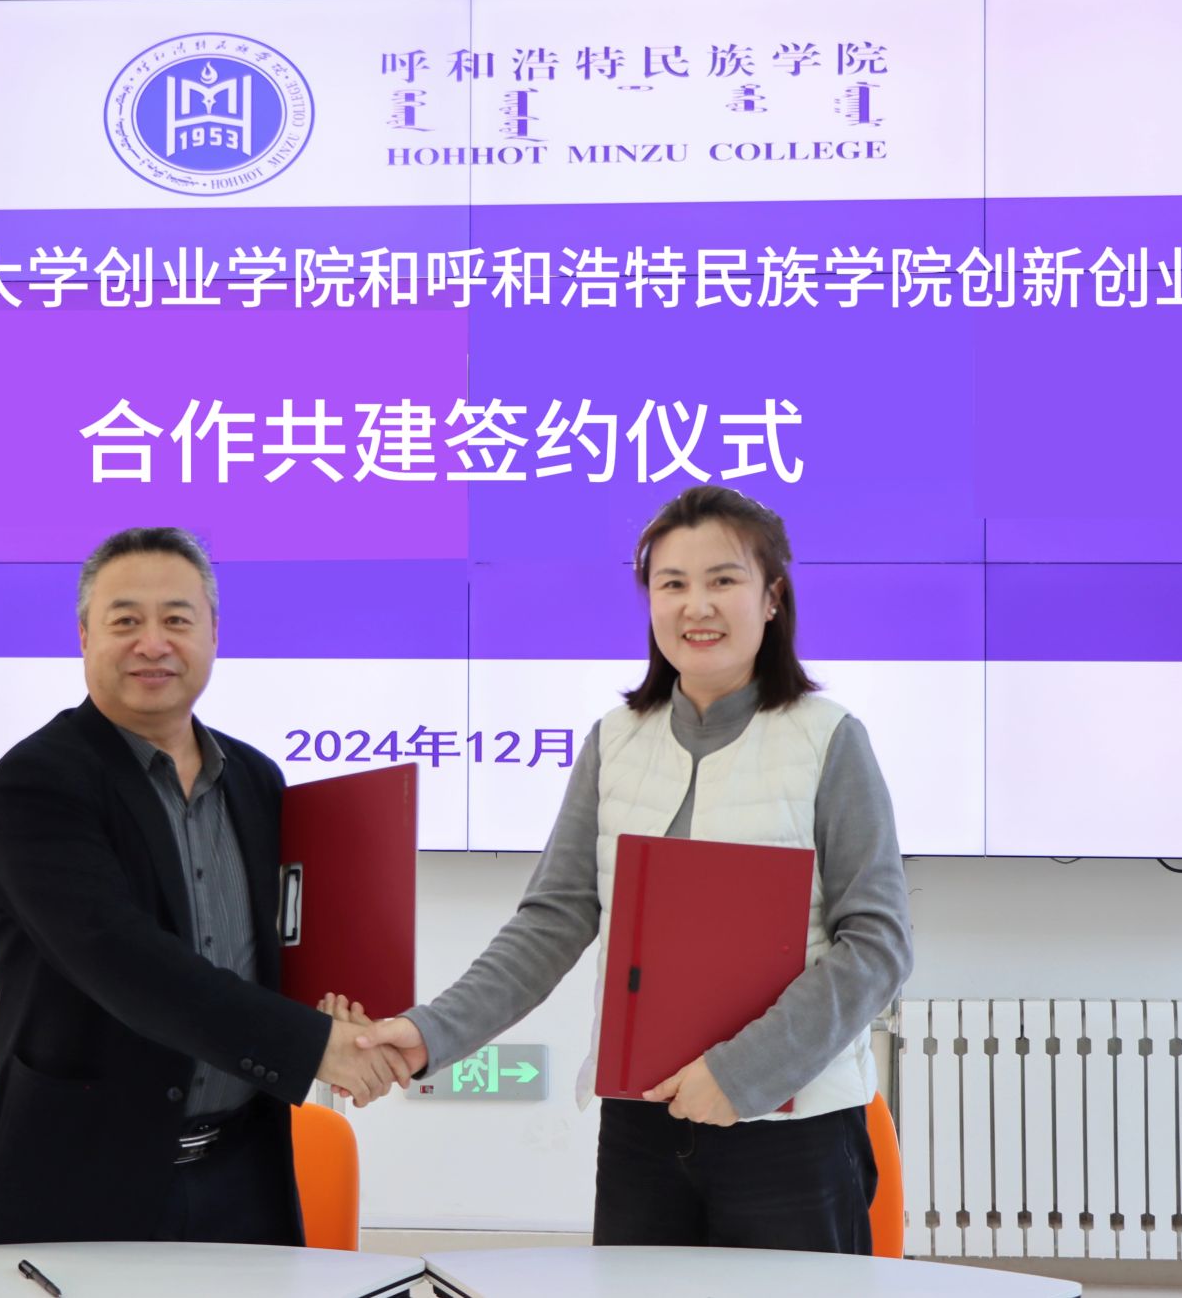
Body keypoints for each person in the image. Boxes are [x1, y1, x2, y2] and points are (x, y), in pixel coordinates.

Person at [336, 485, 913, 1252]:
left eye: (723, 579)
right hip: (643, 1125)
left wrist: (741, 1073)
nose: (696, 605)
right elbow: (551, 922)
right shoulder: (615, 739)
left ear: (772, 597)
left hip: (792, 1130)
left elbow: (877, 944)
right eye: (672, 583)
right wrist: (429, 1031)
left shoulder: (828, 737)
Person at [0, 526, 407, 1248]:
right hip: (85, 1176)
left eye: (177, 620)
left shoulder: (256, 780)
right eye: (125, 620)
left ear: (214, 633)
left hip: (244, 1172)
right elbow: (122, 960)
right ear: (84, 636)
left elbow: (277, 949)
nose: (152, 643)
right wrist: (316, 1045)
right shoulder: (39, 780)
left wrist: (337, 1009)